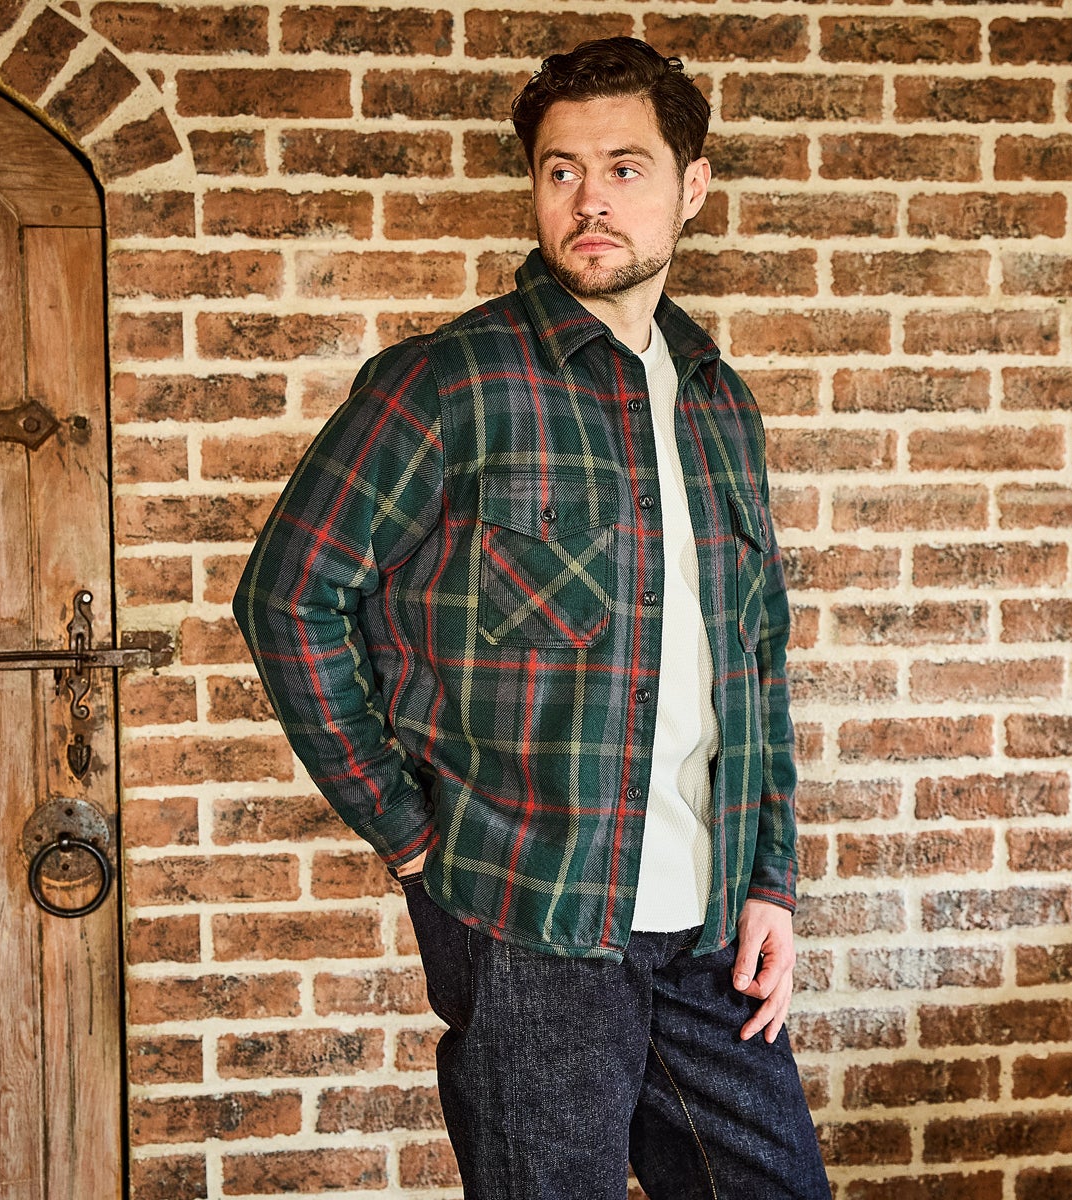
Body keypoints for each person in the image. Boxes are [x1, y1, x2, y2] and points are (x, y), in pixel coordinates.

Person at [233, 36, 830, 1199]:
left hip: (708, 926)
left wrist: (770, 879)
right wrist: (406, 830)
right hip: (525, 917)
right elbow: (288, 597)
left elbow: (753, 660)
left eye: (623, 168)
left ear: (691, 188)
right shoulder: (447, 383)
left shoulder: (719, 405)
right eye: (561, 171)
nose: (588, 199)